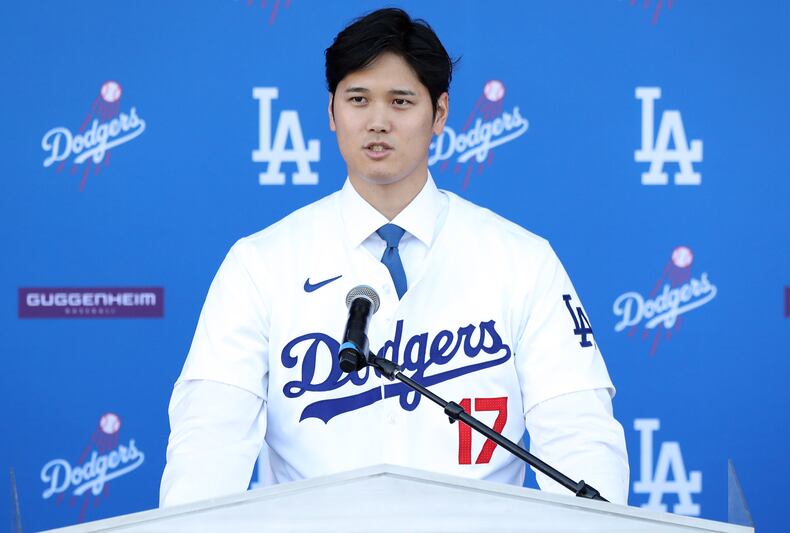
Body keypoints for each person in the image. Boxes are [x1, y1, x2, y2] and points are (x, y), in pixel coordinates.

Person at [160, 7, 629, 507]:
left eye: (401, 101)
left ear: (440, 113)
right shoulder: (260, 264)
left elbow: (580, 437)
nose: (378, 121)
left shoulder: (522, 261)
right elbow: (208, 446)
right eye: (358, 99)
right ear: (331, 112)